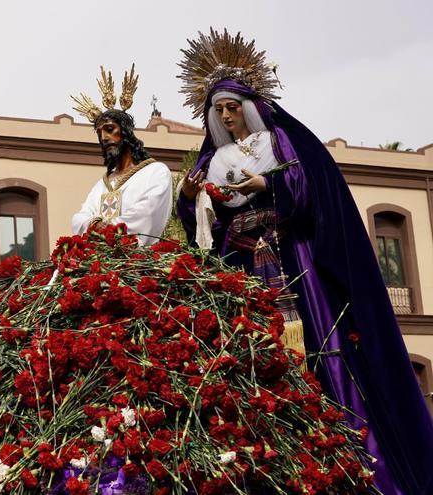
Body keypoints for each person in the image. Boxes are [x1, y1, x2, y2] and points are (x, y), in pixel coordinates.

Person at [175, 29, 433, 494]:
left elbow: (307, 194)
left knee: (317, 344)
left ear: (249, 106)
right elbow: (202, 227)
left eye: (233, 106)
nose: (227, 116)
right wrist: (190, 199)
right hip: (240, 263)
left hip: (290, 255)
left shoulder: (279, 142)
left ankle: (342, 448)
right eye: (219, 110)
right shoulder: (212, 160)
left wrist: (266, 187)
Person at [70, 65, 172, 244]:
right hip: (99, 261)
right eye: (100, 133)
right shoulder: (102, 185)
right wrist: (94, 224)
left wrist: (108, 229)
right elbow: (79, 217)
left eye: (110, 129)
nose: (104, 137)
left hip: (140, 261)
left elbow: (148, 212)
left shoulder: (155, 172)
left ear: (125, 132)